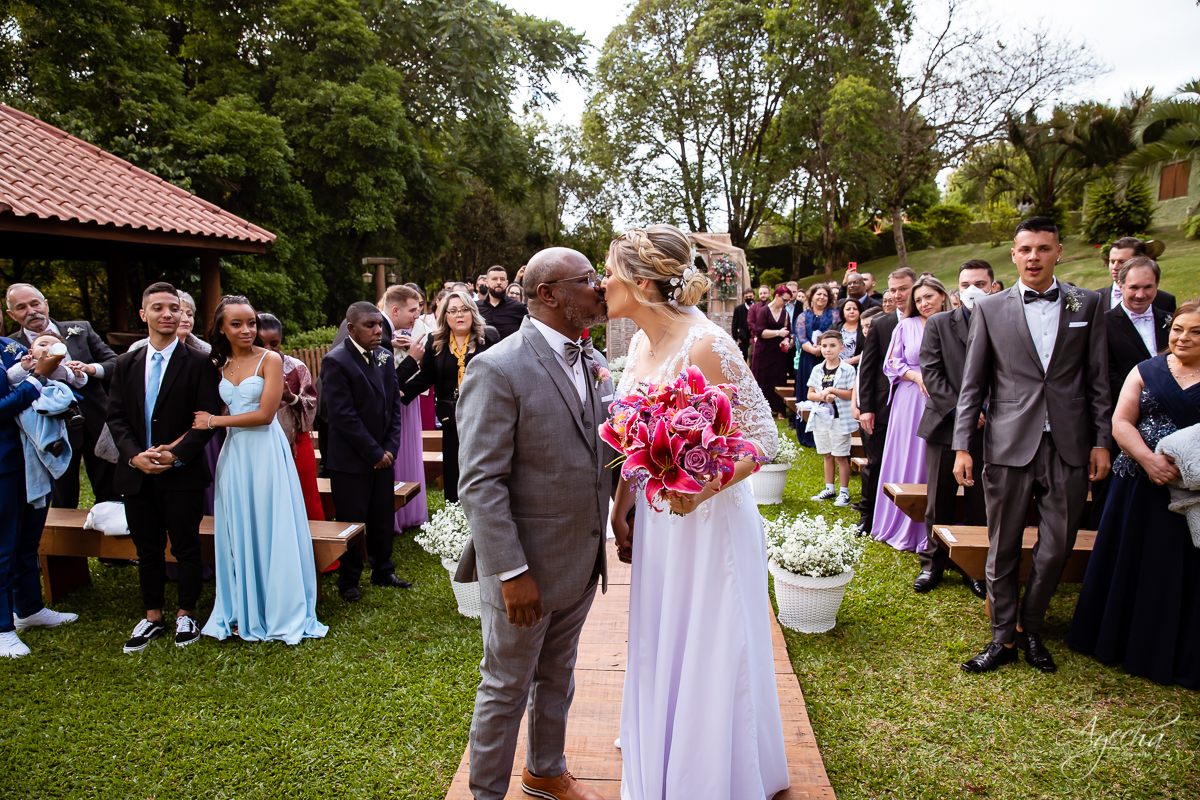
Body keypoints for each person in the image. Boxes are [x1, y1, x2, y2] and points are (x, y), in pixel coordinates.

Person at [604, 224, 788, 800]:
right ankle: (660, 738)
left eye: (608, 270)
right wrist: (621, 505)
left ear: (638, 282)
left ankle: (708, 769)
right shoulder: (637, 344)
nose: (601, 281)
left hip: (707, 521)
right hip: (659, 518)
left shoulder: (707, 343)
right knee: (662, 627)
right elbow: (633, 438)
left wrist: (699, 490)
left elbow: (764, 437)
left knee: (709, 633)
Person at [455, 247, 613, 800]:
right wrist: (512, 571)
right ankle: (486, 795)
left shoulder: (591, 360)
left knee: (558, 676)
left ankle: (545, 770)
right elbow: (479, 482)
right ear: (548, 294)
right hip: (526, 570)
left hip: (580, 560)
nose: (601, 286)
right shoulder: (497, 367)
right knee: (504, 687)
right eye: (589, 278)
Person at [954, 217, 1112, 674]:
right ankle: (1002, 638)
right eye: (1026, 250)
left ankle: (1030, 625)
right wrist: (964, 445)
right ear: (1014, 255)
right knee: (1002, 543)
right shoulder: (990, 308)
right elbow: (973, 384)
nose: (1034, 257)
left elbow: (1097, 379)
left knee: (1058, 543)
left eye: (1044, 249)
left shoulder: (1089, 302)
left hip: (1069, 441)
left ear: (1059, 251)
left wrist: (1101, 441)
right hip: (1007, 442)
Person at [1066, 303, 1200, 689]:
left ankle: (1171, 651)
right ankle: (1116, 640)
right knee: (1131, 559)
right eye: (1177, 329)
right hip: (1137, 484)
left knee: (1178, 570)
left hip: (1189, 493)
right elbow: (1121, 421)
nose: (1182, 338)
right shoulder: (1146, 370)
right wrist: (1149, 461)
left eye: (1195, 332)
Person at [192, 297, 327, 644]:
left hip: (266, 449)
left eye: (251, 322)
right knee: (239, 527)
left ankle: (277, 609)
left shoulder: (270, 359)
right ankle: (240, 608)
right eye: (237, 324)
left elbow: (265, 414)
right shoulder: (217, 364)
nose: (247, 330)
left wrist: (213, 421)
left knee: (271, 525)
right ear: (221, 327)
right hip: (235, 453)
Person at [106, 283, 221, 653]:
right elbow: (116, 416)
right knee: (148, 547)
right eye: (158, 308)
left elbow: (206, 417)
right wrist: (133, 455)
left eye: (174, 308)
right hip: (136, 471)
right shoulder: (126, 363)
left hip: (182, 472)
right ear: (144, 315)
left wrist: (177, 455)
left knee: (186, 546)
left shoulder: (200, 363)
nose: (167, 314)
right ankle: (152, 615)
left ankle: (186, 612)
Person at [321, 302, 412, 602]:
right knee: (352, 520)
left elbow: (393, 408)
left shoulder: (385, 356)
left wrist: (390, 447)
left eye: (379, 325)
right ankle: (349, 580)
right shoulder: (336, 361)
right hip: (351, 459)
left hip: (383, 455)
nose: (378, 331)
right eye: (370, 325)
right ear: (351, 328)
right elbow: (342, 415)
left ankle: (383, 569)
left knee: (382, 515)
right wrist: (374, 452)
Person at [914, 261, 995, 597]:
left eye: (980, 282)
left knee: (980, 498)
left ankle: (973, 565)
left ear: (993, 286)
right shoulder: (939, 323)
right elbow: (931, 373)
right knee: (939, 497)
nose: (972, 289)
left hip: (990, 426)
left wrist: (987, 410)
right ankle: (933, 562)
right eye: (965, 283)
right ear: (956, 289)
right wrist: (966, 410)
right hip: (946, 422)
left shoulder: (1004, 320)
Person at [4, 282, 117, 507]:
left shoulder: (80, 329)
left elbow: (115, 363)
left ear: (45, 304)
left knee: (109, 489)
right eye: (22, 307)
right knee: (62, 496)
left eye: (35, 303)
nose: (31, 311)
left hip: (95, 419)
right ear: (12, 314)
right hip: (48, 429)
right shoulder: (10, 346)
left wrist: (89, 369)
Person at [0, 334, 78, 658]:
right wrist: (34, 379)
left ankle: (29, 608)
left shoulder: (10, 345)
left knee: (28, 541)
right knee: (3, 548)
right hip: (2, 463)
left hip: (31, 460)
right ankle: (4, 628)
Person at [1091, 256, 1172, 528]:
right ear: (1120, 285)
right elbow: (1102, 376)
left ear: (1157, 286)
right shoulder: (1101, 323)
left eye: (1148, 287)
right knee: (1111, 500)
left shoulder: (1170, 322)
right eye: (1134, 287)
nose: (1141, 294)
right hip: (1118, 421)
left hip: (1167, 426)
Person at [871, 276, 951, 551]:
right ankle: (903, 522)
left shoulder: (955, 323)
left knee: (937, 456)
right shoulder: (905, 326)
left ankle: (939, 524)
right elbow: (891, 362)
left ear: (942, 295)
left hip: (948, 398)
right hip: (911, 399)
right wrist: (917, 377)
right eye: (918, 300)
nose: (923, 303)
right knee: (910, 453)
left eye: (929, 296)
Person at [396, 291, 499, 504]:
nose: (459, 315)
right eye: (453, 311)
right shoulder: (436, 341)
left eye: (464, 309)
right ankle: (455, 515)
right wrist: (402, 393)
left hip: (485, 415)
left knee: (485, 467)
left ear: (472, 312)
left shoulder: (489, 337)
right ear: (445, 316)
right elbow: (427, 376)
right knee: (453, 467)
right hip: (452, 417)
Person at [855, 268, 914, 531]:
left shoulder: (931, 321)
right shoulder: (881, 323)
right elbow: (867, 368)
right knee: (875, 461)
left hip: (915, 405)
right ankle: (867, 515)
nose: (898, 295)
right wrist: (866, 408)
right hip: (881, 406)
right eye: (893, 289)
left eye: (904, 288)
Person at [256, 313, 323, 522]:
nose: (268, 350)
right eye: (261, 344)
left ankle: (319, 550)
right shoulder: (245, 368)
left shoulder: (296, 367)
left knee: (307, 497)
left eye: (274, 344)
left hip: (295, 442)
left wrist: (291, 398)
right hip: (259, 444)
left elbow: (312, 406)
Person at [379, 284, 429, 530]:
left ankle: (408, 511)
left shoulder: (394, 332)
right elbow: (381, 382)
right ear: (396, 309)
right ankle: (395, 514)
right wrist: (411, 358)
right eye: (413, 310)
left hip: (406, 400)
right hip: (388, 405)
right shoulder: (377, 331)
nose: (417, 316)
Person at [806, 330, 857, 507]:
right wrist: (822, 396)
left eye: (832, 346)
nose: (828, 349)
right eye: (824, 346)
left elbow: (851, 394)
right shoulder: (817, 369)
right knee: (827, 454)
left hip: (839, 418)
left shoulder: (848, 370)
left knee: (840, 455)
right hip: (822, 417)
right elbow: (810, 394)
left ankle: (844, 492)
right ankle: (829, 488)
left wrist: (833, 391)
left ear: (841, 348)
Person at [1096, 237, 1175, 313]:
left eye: (1122, 262)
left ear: (1140, 261)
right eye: (1112, 262)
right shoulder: (1095, 299)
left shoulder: (1165, 301)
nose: (1115, 267)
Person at [749, 286, 793, 420]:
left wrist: (786, 339)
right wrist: (778, 333)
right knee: (763, 378)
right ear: (777, 296)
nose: (786, 303)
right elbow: (760, 332)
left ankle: (779, 409)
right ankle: (761, 409)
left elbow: (788, 332)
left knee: (778, 377)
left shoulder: (785, 313)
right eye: (785, 300)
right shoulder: (764, 311)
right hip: (764, 349)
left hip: (778, 351)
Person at [477, 265, 528, 340]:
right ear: (487, 283)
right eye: (494, 279)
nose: (499, 282)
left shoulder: (519, 307)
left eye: (502, 279)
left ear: (506, 282)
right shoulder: (476, 308)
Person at [834, 297, 864, 365]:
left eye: (855, 309)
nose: (852, 311)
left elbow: (868, 351)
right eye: (848, 309)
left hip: (858, 367)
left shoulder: (865, 328)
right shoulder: (835, 328)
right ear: (843, 312)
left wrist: (849, 361)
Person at [731, 289, 755, 360]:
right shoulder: (738, 309)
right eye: (746, 297)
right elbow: (734, 324)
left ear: (754, 297)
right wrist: (737, 337)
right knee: (742, 359)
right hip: (743, 338)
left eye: (750, 296)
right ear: (743, 298)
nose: (749, 298)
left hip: (754, 338)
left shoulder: (758, 307)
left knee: (753, 359)